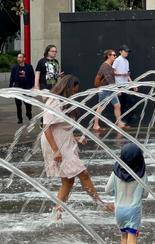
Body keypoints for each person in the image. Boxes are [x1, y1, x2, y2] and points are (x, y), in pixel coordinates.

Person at [40, 75, 113, 218]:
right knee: (83, 173)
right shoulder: (54, 101)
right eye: (73, 90)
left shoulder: (65, 101)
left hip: (65, 141)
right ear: (67, 88)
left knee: (68, 179)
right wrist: (56, 150)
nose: (75, 93)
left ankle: (57, 212)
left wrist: (75, 137)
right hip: (55, 144)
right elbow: (47, 127)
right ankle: (101, 204)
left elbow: (61, 126)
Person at [105, 143, 148, 244]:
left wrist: (117, 194)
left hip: (119, 210)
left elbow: (108, 190)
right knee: (132, 239)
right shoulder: (141, 174)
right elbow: (145, 194)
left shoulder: (116, 172)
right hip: (134, 210)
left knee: (123, 237)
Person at [93, 49, 126, 131]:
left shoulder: (109, 66)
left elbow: (112, 76)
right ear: (108, 56)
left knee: (117, 105)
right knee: (101, 107)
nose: (115, 56)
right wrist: (116, 90)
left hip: (110, 89)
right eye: (114, 55)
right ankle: (95, 125)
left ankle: (119, 122)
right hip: (104, 89)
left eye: (115, 55)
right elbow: (108, 79)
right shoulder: (105, 66)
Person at [9, 53, 34, 124]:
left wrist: (32, 85)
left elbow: (32, 76)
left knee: (28, 103)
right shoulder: (15, 68)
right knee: (18, 104)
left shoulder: (29, 67)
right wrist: (10, 87)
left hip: (27, 88)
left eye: (20, 57)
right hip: (18, 88)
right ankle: (20, 118)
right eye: (18, 57)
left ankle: (29, 114)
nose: (18, 59)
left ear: (24, 59)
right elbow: (12, 78)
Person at [112, 45, 137, 117]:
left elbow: (127, 75)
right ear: (120, 51)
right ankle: (120, 122)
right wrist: (116, 88)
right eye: (125, 51)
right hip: (119, 86)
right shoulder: (117, 60)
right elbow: (112, 73)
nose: (127, 53)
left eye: (127, 51)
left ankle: (123, 121)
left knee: (125, 103)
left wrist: (133, 85)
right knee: (120, 104)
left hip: (125, 85)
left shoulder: (126, 61)